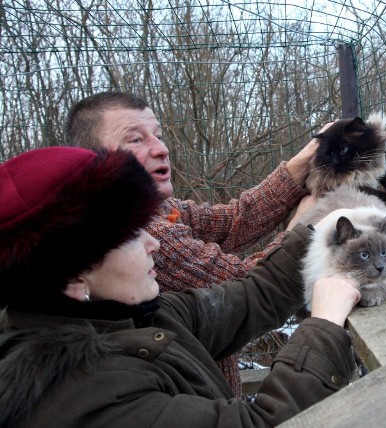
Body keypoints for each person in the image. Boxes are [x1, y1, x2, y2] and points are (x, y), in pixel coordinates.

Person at [0, 146, 361, 427]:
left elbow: (253, 297)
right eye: (130, 235)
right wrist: (324, 327)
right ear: (73, 277)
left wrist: (322, 228)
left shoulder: (133, 317)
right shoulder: (80, 398)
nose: (153, 243)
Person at [64, 91, 329, 396]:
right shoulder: (132, 231)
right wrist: (310, 222)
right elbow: (247, 288)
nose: (161, 149)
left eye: (159, 135)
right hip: (192, 406)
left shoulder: (158, 209)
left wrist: (307, 159)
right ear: (94, 158)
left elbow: (234, 221)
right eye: (136, 140)